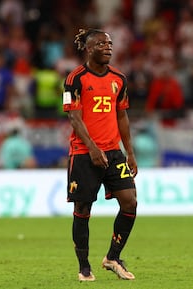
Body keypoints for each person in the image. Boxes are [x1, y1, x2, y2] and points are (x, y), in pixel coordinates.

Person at [62, 28, 138, 282]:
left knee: (130, 202)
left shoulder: (119, 78)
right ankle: (84, 266)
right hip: (84, 153)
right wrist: (93, 148)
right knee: (83, 208)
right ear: (88, 48)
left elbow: (122, 115)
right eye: (102, 44)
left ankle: (113, 257)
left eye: (110, 44)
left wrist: (130, 152)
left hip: (114, 153)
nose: (108, 47)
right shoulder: (75, 79)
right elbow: (74, 116)